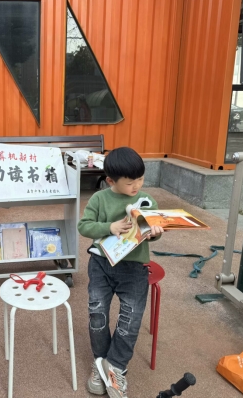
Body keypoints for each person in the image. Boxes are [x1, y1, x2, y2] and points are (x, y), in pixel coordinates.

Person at [77, 147, 164, 398]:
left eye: (140, 179)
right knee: (97, 314)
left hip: (134, 268)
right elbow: (84, 226)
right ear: (110, 181)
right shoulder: (99, 199)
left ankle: (115, 367)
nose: (137, 186)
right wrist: (110, 226)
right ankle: (100, 363)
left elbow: (151, 234)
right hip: (101, 264)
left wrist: (155, 233)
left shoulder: (147, 201)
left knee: (130, 319)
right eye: (130, 182)